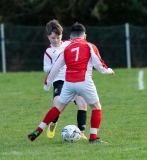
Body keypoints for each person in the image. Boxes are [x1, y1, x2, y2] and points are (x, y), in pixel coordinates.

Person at [28, 22, 115, 143]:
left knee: (57, 108)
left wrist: (47, 83)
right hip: (84, 82)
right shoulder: (90, 46)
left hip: (68, 83)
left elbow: (55, 68)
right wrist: (108, 70)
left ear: (70, 37)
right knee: (96, 108)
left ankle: (38, 130)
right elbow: (99, 64)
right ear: (85, 36)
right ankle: (93, 138)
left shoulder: (66, 48)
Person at [44, 20, 87, 139]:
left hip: (72, 78)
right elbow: (46, 68)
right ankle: (53, 123)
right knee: (57, 105)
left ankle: (81, 132)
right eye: (53, 38)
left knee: (82, 103)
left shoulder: (68, 44)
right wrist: (57, 65)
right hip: (58, 81)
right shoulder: (48, 51)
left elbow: (81, 45)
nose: (56, 40)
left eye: (58, 37)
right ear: (48, 37)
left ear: (62, 35)